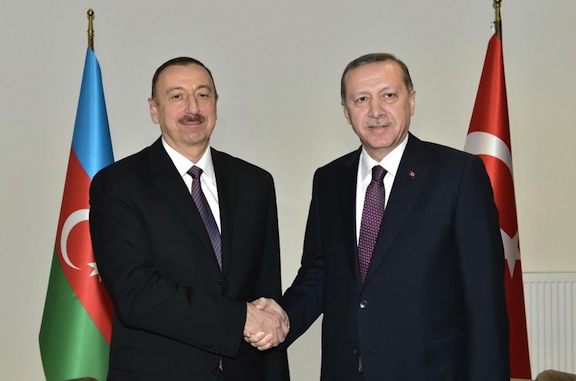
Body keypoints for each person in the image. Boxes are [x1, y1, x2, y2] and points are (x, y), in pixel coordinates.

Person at [257, 53, 510, 380]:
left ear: (411, 101)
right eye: (361, 99)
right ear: (347, 112)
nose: (376, 111)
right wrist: (280, 321)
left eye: (389, 96)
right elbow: (319, 274)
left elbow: (485, 299)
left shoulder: (459, 175)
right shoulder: (330, 180)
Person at [89, 56, 290, 381]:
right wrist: (239, 318)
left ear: (216, 104)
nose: (192, 108)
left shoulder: (256, 183)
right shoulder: (118, 185)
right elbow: (137, 294)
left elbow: (267, 294)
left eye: (203, 94)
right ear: (154, 109)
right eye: (177, 95)